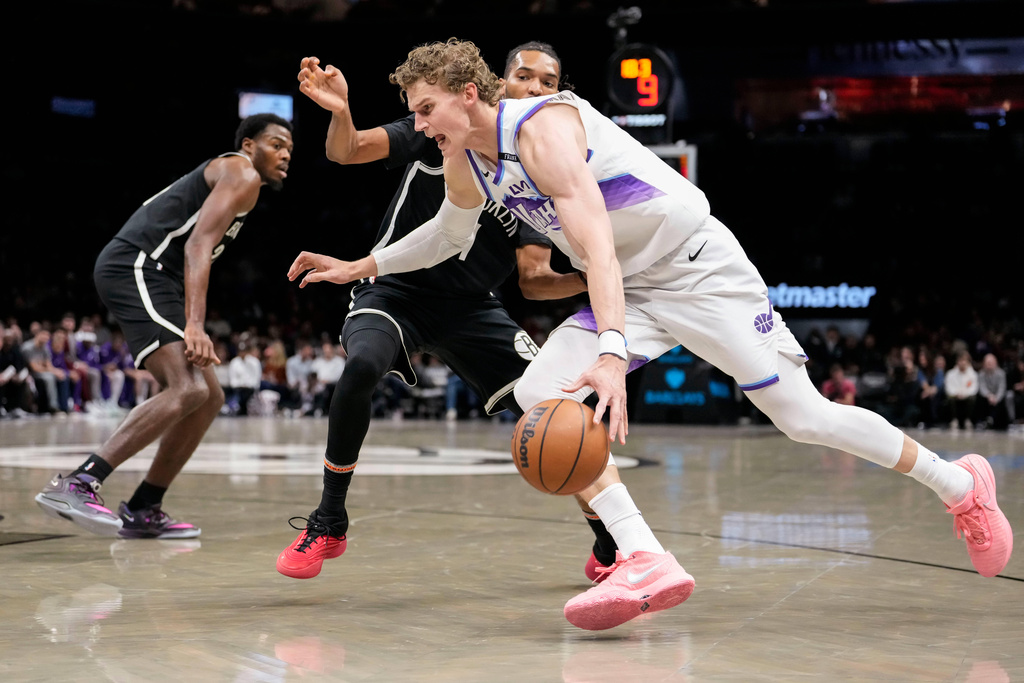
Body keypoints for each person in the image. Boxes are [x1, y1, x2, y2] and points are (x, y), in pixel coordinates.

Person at [288, 39, 1012, 630]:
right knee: (539, 390)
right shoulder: (466, 154)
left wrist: (611, 352)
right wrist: (363, 264)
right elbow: (449, 232)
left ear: (467, 94)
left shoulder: (541, 130)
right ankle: (643, 556)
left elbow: (597, 246)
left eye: (426, 109)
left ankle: (960, 484)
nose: (419, 124)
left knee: (803, 418)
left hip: (698, 270)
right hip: (636, 289)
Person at [277, 43, 623, 582]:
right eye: (524, 75)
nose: (534, 88)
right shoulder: (437, 126)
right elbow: (348, 151)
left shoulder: (542, 166)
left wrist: (604, 273)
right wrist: (341, 112)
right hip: (395, 291)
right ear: (489, 85)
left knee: (561, 411)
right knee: (362, 366)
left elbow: (534, 281)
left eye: (548, 82)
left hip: (473, 308)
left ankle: (611, 540)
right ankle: (329, 519)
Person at [35, 113, 294, 538]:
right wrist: (195, 324)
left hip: (159, 276)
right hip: (138, 265)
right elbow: (197, 245)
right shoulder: (241, 171)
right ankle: (78, 484)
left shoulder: (241, 181)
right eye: (276, 144)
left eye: (289, 150)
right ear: (249, 145)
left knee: (208, 397)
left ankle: (144, 505)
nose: (285, 155)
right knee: (187, 387)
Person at [945, 350, 979, 430]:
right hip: (955, 396)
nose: (962, 363)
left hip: (966, 397)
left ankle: (968, 420)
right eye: (960, 360)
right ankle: (954, 420)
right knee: (950, 398)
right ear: (957, 362)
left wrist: (964, 394)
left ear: (967, 362)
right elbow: (949, 388)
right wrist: (956, 394)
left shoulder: (973, 374)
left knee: (972, 398)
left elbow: (973, 389)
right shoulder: (951, 374)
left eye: (964, 360)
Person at [976, 353, 1008, 430]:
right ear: (984, 364)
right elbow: (982, 387)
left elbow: (1002, 388)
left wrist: (996, 398)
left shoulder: (1001, 373)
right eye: (987, 363)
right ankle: (981, 421)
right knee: (979, 397)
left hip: (997, 397)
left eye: (991, 363)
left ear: (995, 363)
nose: (989, 365)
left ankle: (993, 420)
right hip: (987, 397)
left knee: (1005, 398)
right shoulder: (981, 374)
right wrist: (989, 395)